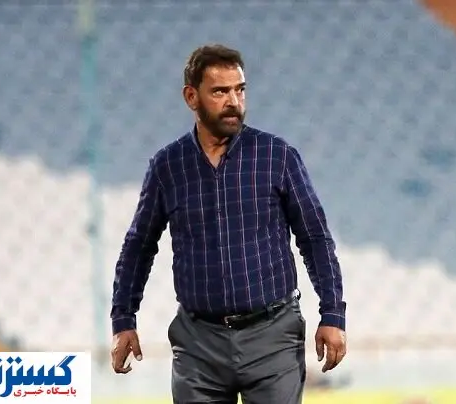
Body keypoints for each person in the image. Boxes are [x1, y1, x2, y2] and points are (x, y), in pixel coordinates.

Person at [110, 43, 347, 404]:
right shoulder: (168, 166)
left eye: (240, 90)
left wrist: (332, 314)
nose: (234, 101)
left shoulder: (276, 156)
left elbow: (315, 238)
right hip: (198, 345)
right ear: (191, 97)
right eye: (220, 92)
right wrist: (123, 319)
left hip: (272, 337)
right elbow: (138, 246)